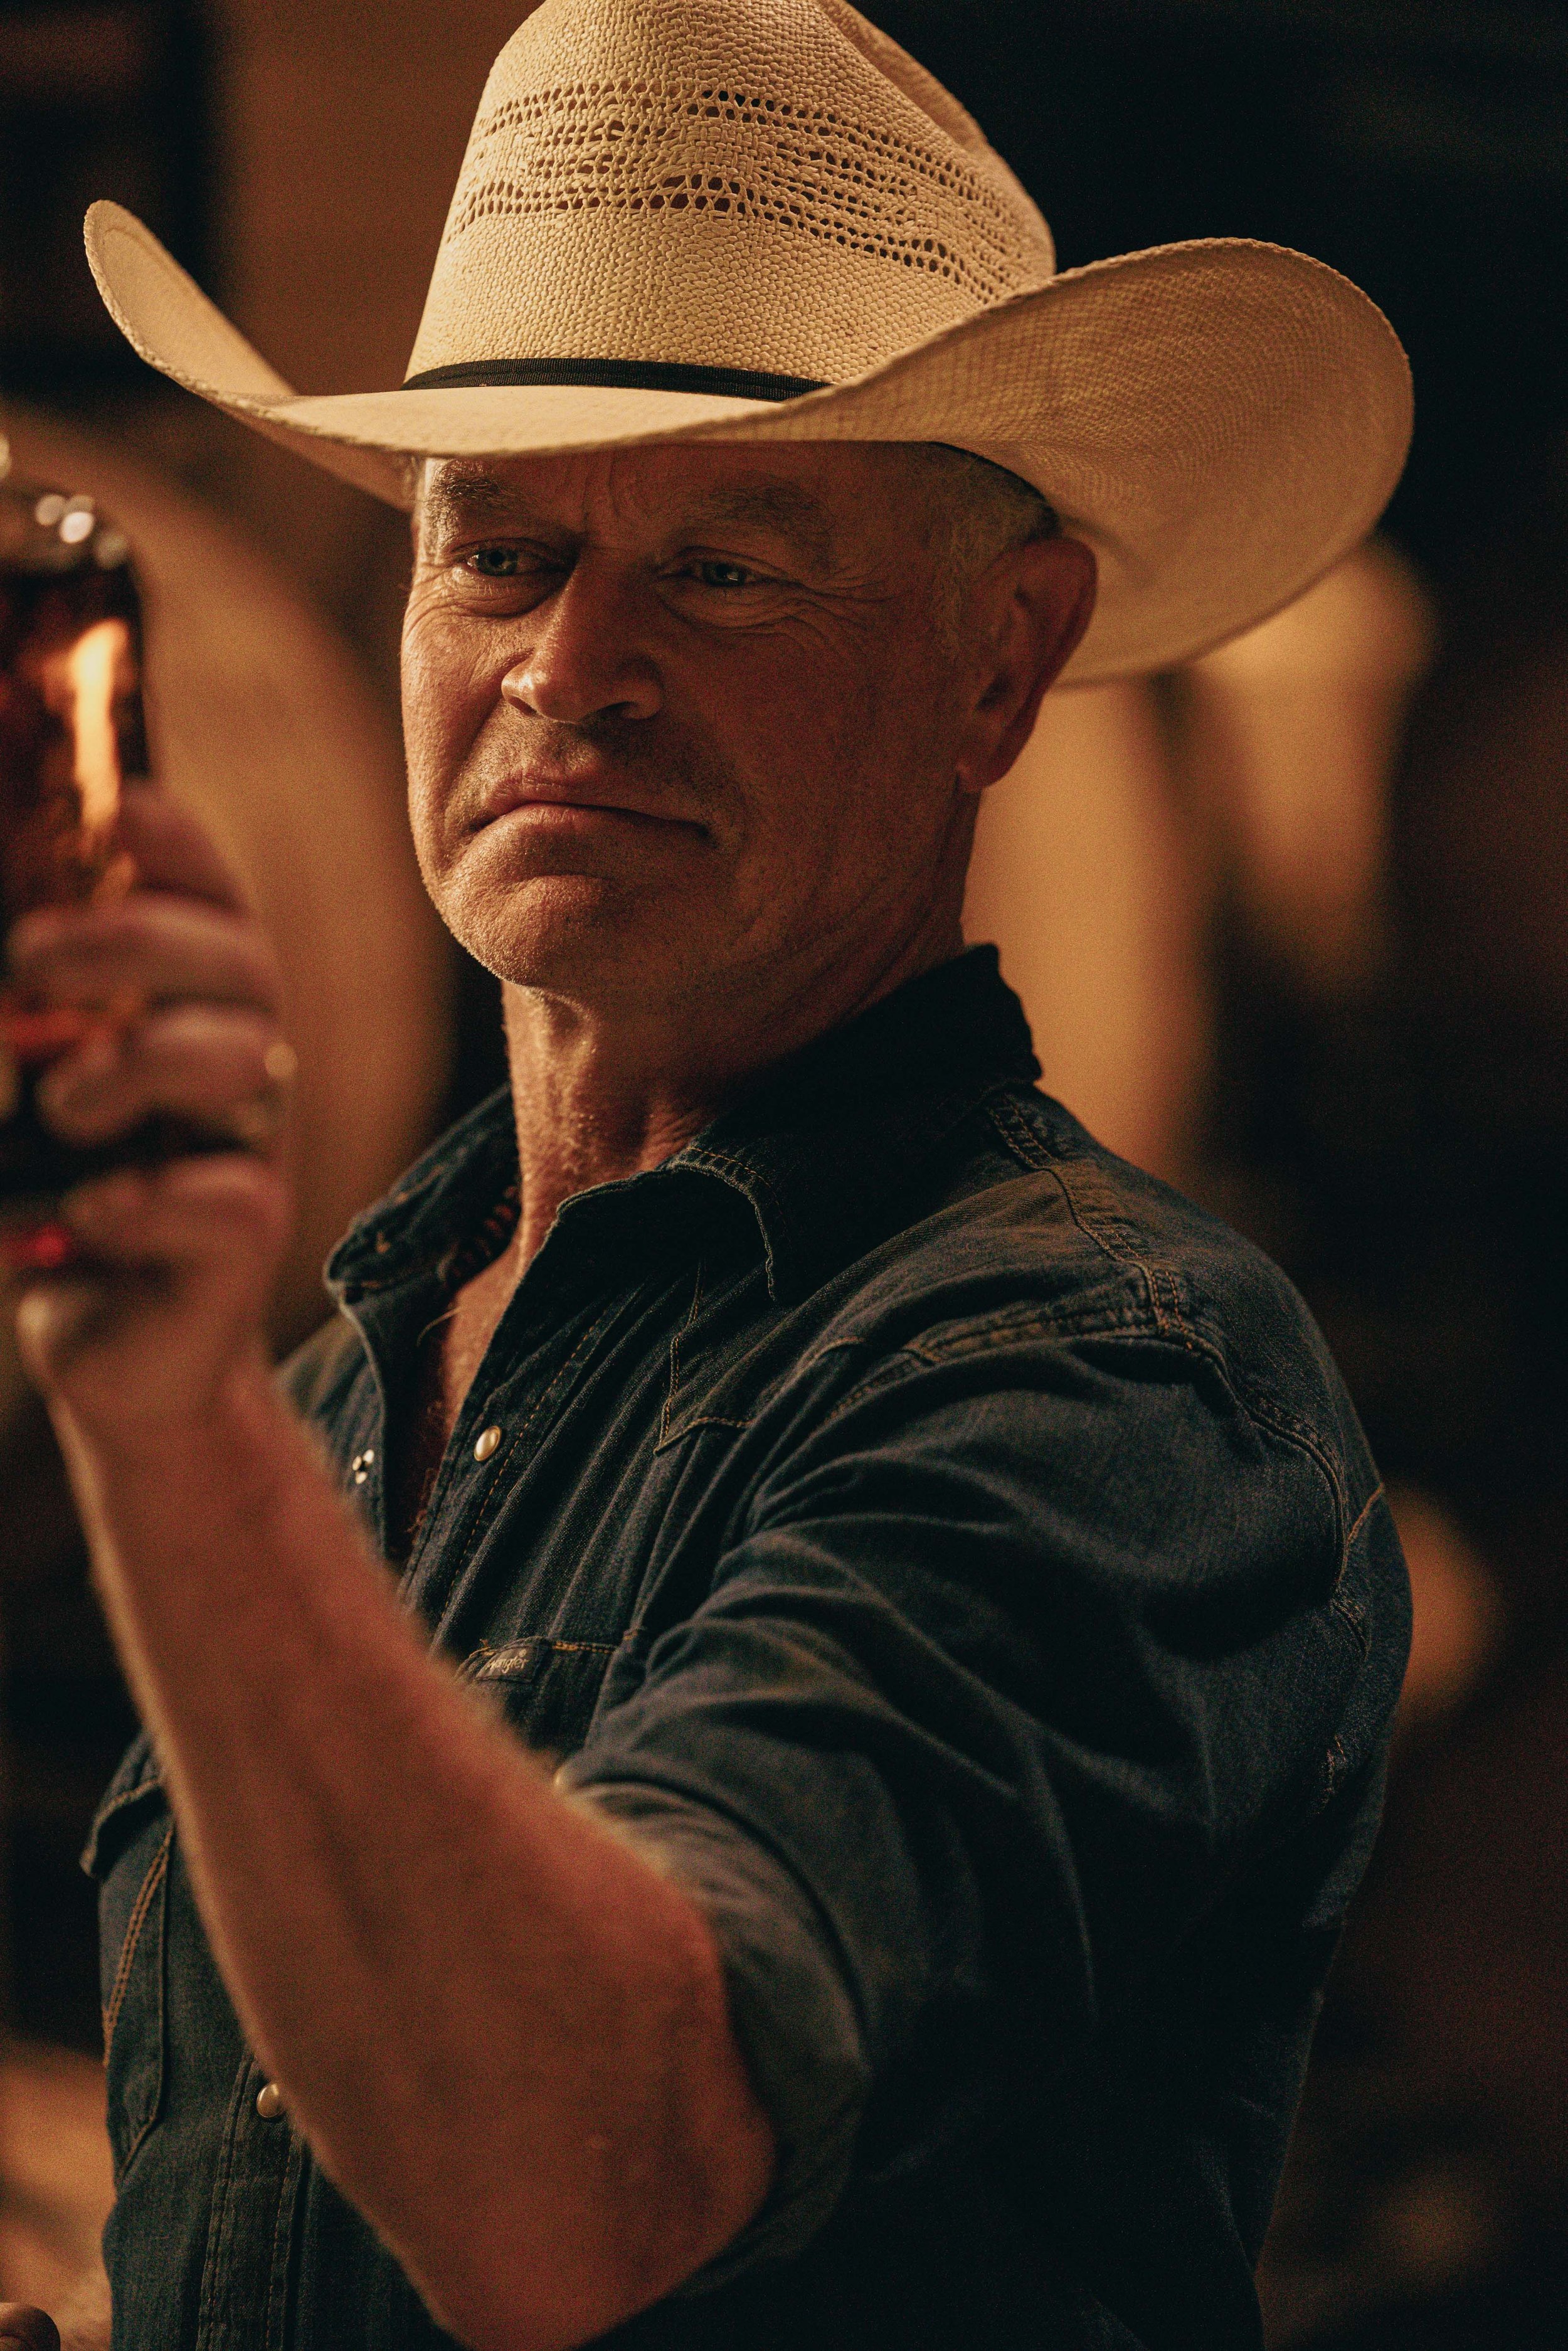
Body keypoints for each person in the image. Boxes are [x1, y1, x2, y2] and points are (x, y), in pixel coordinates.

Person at [1, 2, 1412, 2346]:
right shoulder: (353, 1376)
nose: (575, 666)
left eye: (729, 571)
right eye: (504, 553)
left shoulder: (1108, 1385)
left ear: (1002, 660)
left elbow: (589, 2174)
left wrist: (159, 1421)